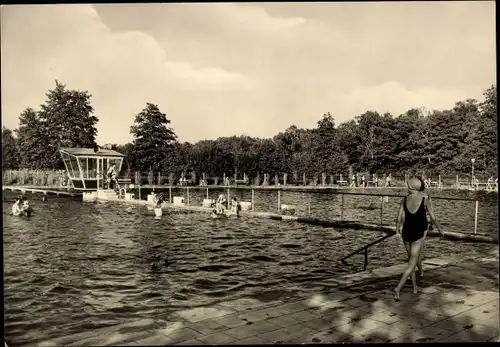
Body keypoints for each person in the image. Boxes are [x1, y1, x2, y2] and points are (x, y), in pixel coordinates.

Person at [394, 176, 444, 300]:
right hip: (417, 234)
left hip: (406, 232)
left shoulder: (404, 199)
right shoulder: (425, 199)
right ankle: (398, 288)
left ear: (410, 187)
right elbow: (433, 217)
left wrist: (396, 231)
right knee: (411, 264)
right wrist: (440, 229)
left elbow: (399, 217)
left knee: (411, 260)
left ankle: (415, 287)